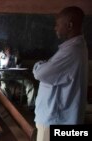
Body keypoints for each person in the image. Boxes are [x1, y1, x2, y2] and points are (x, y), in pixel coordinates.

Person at [33, 6, 88, 141]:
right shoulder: (75, 47)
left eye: (57, 24)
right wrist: (45, 65)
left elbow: (40, 74)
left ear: (69, 25)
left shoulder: (71, 51)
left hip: (54, 120)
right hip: (60, 118)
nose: (55, 28)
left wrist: (38, 64)